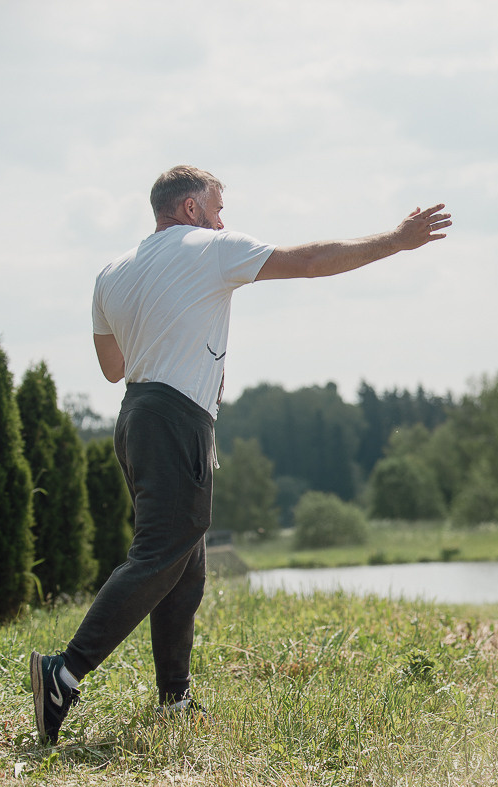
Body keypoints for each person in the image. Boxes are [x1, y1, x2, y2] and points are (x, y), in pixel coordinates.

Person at [30, 165, 451, 744]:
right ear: (189, 209)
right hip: (174, 419)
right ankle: (66, 671)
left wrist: (175, 345)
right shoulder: (209, 248)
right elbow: (307, 261)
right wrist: (395, 241)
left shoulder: (112, 271)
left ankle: (173, 699)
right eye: (217, 206)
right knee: (159, 554)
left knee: (185, 564)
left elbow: (112, 369)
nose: (223, 218)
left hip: (135, 418)